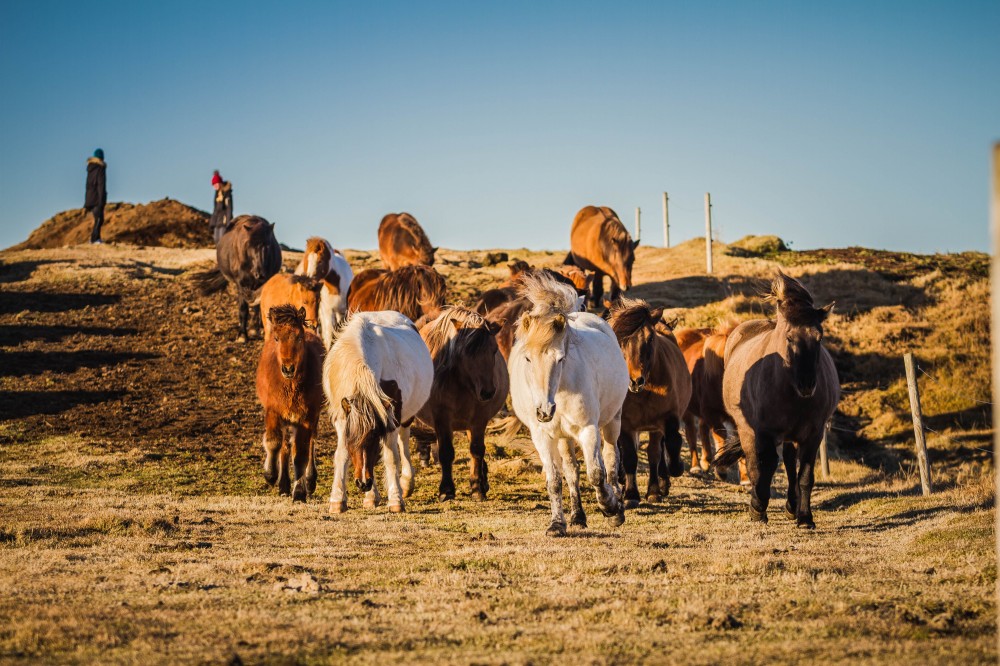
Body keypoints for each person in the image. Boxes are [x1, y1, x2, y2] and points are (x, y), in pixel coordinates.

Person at [85, 148, 107, 244]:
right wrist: (102, 200)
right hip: (97, 198)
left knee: (98, 218)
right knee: (99, 219)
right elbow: (101, 185)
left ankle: (96, 238)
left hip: (90, 198)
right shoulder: (100, 169)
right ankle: (94, 239)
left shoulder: (90, 169)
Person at [209, 170, 234, 244]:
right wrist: (212, 222)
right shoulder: (217, 194)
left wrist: (228, 222)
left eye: (216, 184)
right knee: (216, 240)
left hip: (224, 221)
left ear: (220, 183)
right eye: (213, 185)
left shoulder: (227, 194)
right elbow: (215, 210)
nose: (215, 186)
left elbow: (229, 209)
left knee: (222, 240)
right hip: (217, 221)